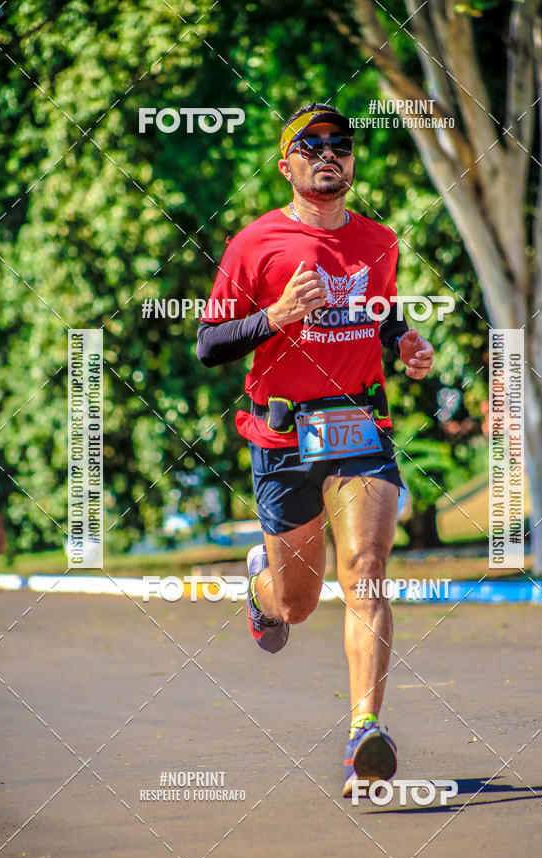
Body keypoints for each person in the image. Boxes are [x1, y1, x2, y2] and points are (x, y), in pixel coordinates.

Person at [197, 102, 434, 797]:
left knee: (365, 569)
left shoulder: (380, 241)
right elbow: (209, 344)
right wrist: (273, 318)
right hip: (282, 435)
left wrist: (407, 345)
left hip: (362, 427)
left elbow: (383, 316)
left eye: (341, 144)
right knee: (297, 605)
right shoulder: (256, 243)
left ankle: (365, 728)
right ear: (287, 164)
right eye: (312, 144)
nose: (330, 152)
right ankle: (262, 589)